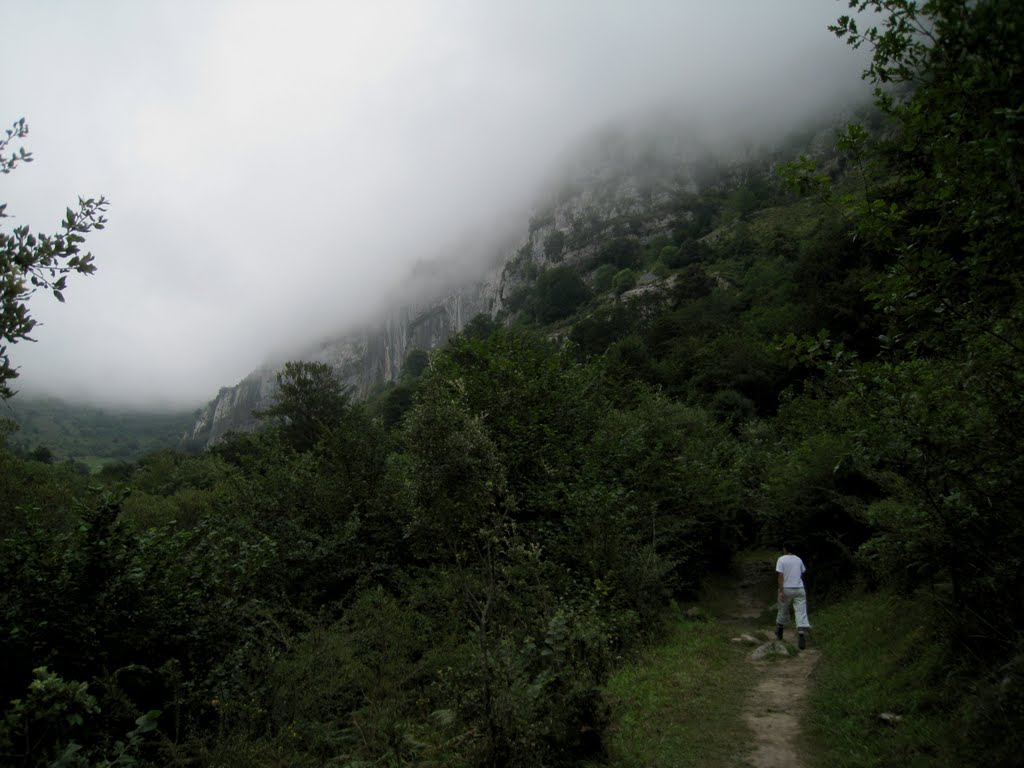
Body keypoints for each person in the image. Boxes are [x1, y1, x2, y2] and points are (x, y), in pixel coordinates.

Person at [775, 543, 811, 649]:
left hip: (786, 588)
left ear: (785, 549)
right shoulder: (799, 560)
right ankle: (801, 635)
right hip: (799, 588)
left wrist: (781, 590)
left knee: (783, 609)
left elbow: (780, 576)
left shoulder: (781, 559)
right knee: (801, 611)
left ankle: (780, 631)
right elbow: (802, 572)